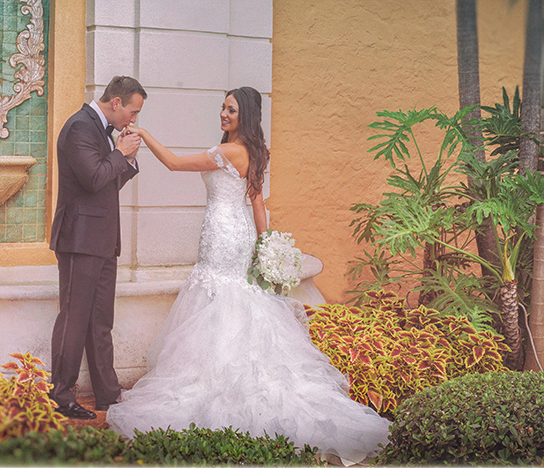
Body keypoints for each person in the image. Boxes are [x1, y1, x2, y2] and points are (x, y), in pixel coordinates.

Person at [106, 86, 391, 465]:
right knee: (233, 296)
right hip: (236, 234)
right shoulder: (253, 152)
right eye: (223, 108)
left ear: (246, 117)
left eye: (232, 110)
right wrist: (263, 245)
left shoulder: (228, 152)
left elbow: (174, 163)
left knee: (218, 294)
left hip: (223, 237)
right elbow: (258, 203)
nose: (223, 114)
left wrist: (144, 135)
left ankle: (215, 380)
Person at [48, 75, 146, 420]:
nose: (132, 120)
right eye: (132, 112)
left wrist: (126, 160)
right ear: (116, 103)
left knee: (101, 321)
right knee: (74, 319)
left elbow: (107, 183)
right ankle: (61, 395)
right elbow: (92, 178)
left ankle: (107, 393)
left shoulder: (100, 131)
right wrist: (120, 153)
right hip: (79, 240)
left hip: (103, 240)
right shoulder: (79, 127)